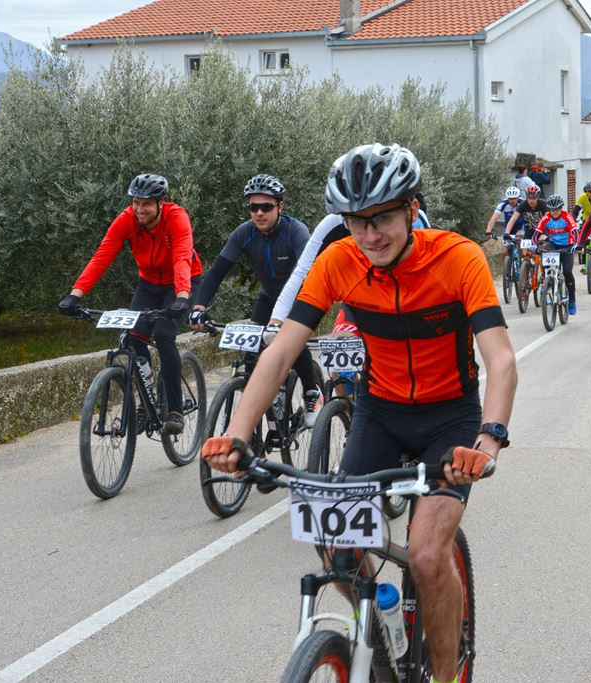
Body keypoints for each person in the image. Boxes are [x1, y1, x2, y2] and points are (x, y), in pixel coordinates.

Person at [200, 143, 517, 683]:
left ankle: (445, 676)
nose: (371, 236)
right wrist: (236, 433)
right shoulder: (338, 261)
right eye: (356, 222)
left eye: (383, 218)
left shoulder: (458, 258)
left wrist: (488, 440)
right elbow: (281, 352)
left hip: (451, 418)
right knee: (336, 547)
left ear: (412, 209)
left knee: (425, 555)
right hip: (380, 412)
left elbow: (501, 359)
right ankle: (380, 644)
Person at [58, 173, 203, 434]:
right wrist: (75, 295)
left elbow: (182, 256)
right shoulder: (127, 219)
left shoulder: (176, 217)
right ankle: (146, 401)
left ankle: (175, 410)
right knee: (134, 337)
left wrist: (182, 296)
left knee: (164, 335)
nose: (139, 209)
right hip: (149, 283)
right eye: (136, 202)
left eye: (146, 204)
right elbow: (103, 255)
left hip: (182, 282)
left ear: (161, 203)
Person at [189, 173, 322, 426]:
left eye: (266, 207)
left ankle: (311, 391)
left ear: (280, 206)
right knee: (251, 354)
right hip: (268, 297)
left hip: (299, 297)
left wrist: (287, 320)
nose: (259, 213)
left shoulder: (296, 231)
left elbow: (310, 274)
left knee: (292, 341)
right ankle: (259, 414)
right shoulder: (244, 233)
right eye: (253, 207)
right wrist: (198, 307)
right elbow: (217, 273)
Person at [533, 194, 579, 315]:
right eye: (552, 209)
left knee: (567, 272)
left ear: (561, 208)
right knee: (545, 256)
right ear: (549, 209)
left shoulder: (567, 216)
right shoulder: (546, 218)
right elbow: (536, 233)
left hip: (567, 246)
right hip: (553, 244)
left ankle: (572, 300)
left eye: (557, 209)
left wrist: (576, 244)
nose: (555, 212)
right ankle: (547, 281)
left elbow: (575, 231)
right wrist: (534, 245)